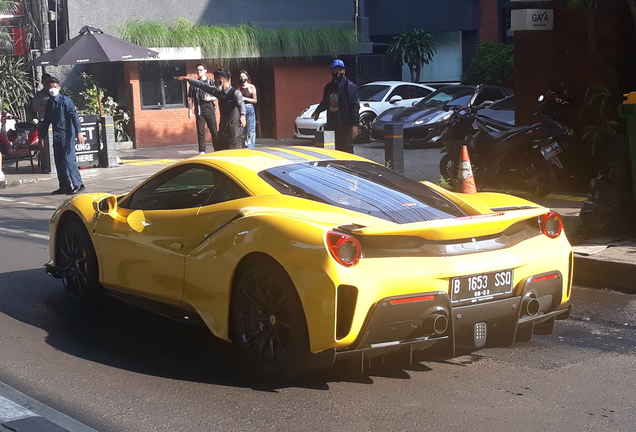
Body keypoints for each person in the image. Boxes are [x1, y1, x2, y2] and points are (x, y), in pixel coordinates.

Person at [175, 68, 246, 150]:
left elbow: (241, 104)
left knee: (233, 156)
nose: (214, 83)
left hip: (234, 133)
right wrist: (186, 79)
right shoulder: (219, 93)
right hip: (222, 131)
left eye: (215, 80)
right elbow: (203, 85)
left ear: (220, 81)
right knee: (219, 153)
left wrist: (242, 115)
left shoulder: (235, 93)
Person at [39, 77, 86, 195]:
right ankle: (64, 186)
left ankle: (78, 184)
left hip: (67, 135)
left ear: (59, 88)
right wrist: (42, 136)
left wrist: (79, 132)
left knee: (69, 160)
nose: (52, 89)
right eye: (50, 87)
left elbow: (74, 117)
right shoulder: (49, 103)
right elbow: (46, 121)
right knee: (59, 162)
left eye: (54, 87)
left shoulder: (66, 101)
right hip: (57, 136)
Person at [312, 59, 360, 154]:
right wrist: (317, 111)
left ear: (344, 71)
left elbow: (354, 106)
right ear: (331, 71)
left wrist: (354, 125)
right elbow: (326, 102)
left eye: (340, 69)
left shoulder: (349, 86)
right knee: (334, 152)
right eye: (335, 69)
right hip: (332, 125)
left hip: (346, 125)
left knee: (346, 152)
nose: (338, 72)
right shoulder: (329, 87)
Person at [188, 63, 218, 155]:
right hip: (199, 110)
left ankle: (217, 148)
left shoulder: (211, 82)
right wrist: (190, 111)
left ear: (205, 71)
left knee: (213, 130)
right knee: (200, 131)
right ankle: (202, 150)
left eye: (200, 70)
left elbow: (218, 95)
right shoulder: (194, 84)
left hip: (210, 109)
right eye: (197, 70)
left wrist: (211, 98)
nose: (199, 72)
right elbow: (190, 98)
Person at [237, 70, 257, 148]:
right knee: (242, 129)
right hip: (240, 109)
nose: (242, 78)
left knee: (251, 129)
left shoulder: (251, 87)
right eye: (241, 77)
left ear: (247, 77)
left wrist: (245, 98)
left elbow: (255, 100)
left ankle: (251, 147)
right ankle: (243, 146)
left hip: (249, 108)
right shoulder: (238, 88)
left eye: (244, 76)